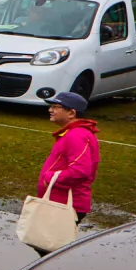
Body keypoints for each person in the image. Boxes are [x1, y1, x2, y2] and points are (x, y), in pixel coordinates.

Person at [38, 91, 101, 223]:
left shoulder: (77, 135)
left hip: (65, 205)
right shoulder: (73, 133)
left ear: (71, 113)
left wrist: (49, 178)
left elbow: (80, 171)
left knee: (53, 242)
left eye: (56, 106)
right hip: (59, 202)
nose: (50, 110)